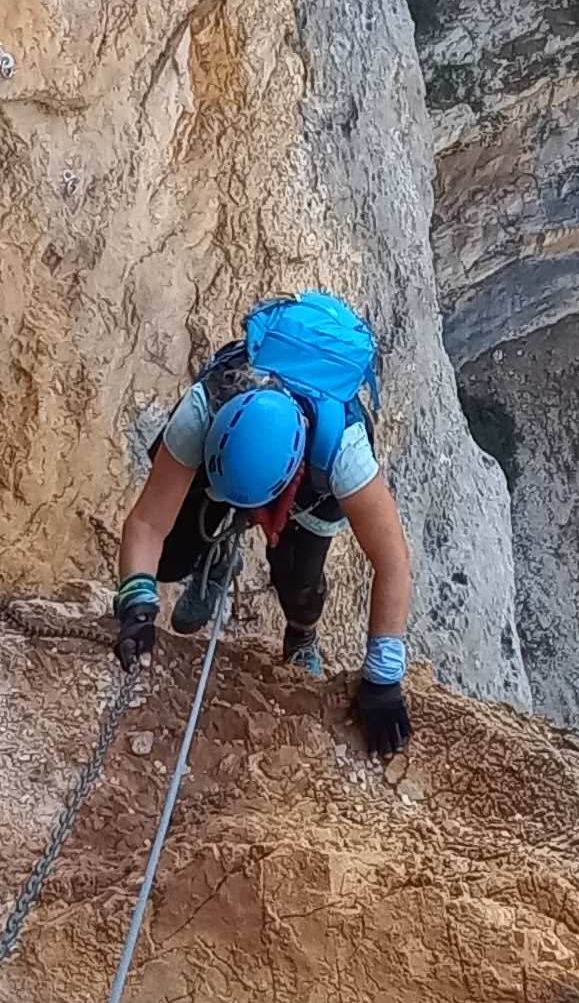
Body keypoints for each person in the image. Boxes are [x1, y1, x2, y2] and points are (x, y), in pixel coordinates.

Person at [111, 298, 415, 757]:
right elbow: (149, 521)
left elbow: (392, 560)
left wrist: (384, 677)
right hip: (227, 472)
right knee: (170, 559)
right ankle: (213, 561)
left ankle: (302, 635)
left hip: (312, 487)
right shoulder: (204, 408)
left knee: (297, 577)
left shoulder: (344, 451)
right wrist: (137, 604)